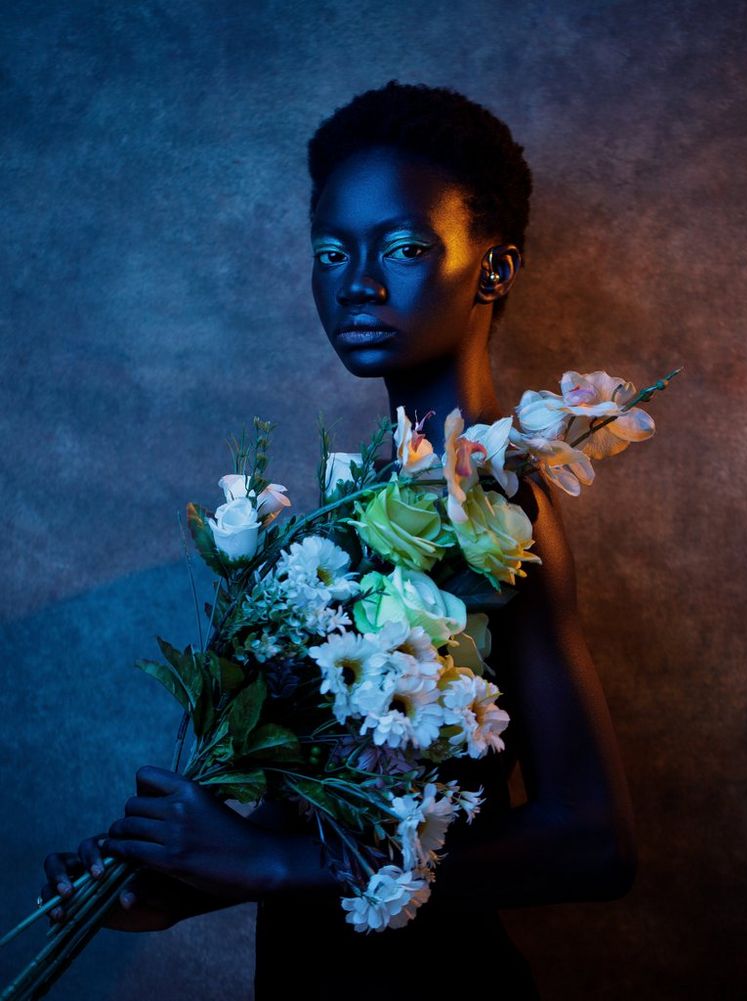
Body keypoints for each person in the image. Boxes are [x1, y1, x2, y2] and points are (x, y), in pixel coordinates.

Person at [41, 80, 637, 998]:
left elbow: (592, 839)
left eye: (403, 248)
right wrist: (180, 878)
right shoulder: (352, 508)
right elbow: (318, 827)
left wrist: (267, 867)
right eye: (330, 250)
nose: (356, 282)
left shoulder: (502, 514)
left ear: (495, 266)